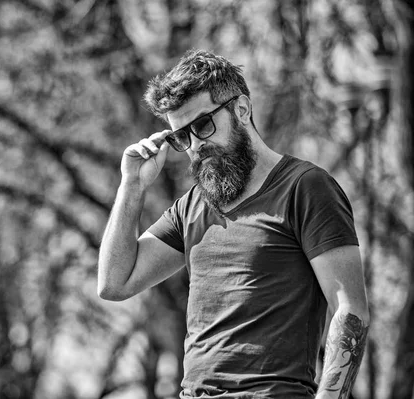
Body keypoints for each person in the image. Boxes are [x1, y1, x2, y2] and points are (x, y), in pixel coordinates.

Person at [97, 49, 369, 399]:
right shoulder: (191, 206)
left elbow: (350, 311)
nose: (196, 145)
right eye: (182, 136)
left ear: (241, 109)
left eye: (202, 125)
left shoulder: (305, 187)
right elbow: (114, 283)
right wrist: (131, 185)